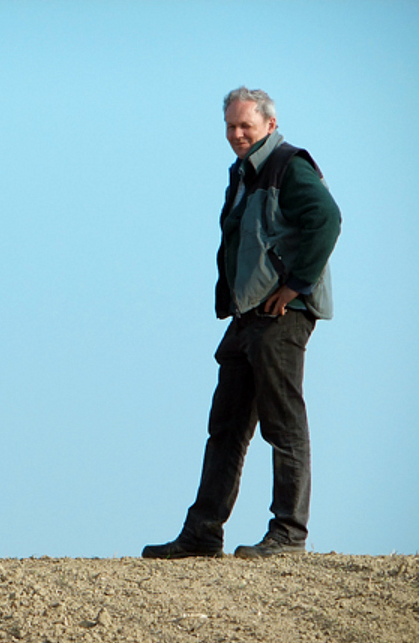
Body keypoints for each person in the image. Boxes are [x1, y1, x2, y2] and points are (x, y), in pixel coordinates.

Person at [142, 86, 341, 560]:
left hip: (282, 315)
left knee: (283, 422)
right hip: (247, 313)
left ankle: (289, 533)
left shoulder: (288, 165)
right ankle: (203, 533)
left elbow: (328, 219)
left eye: (245, 126)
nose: (236, 134)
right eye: (231, 126)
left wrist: (295, 286)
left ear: (270, 125)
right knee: (226, 425)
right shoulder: (243, 172)